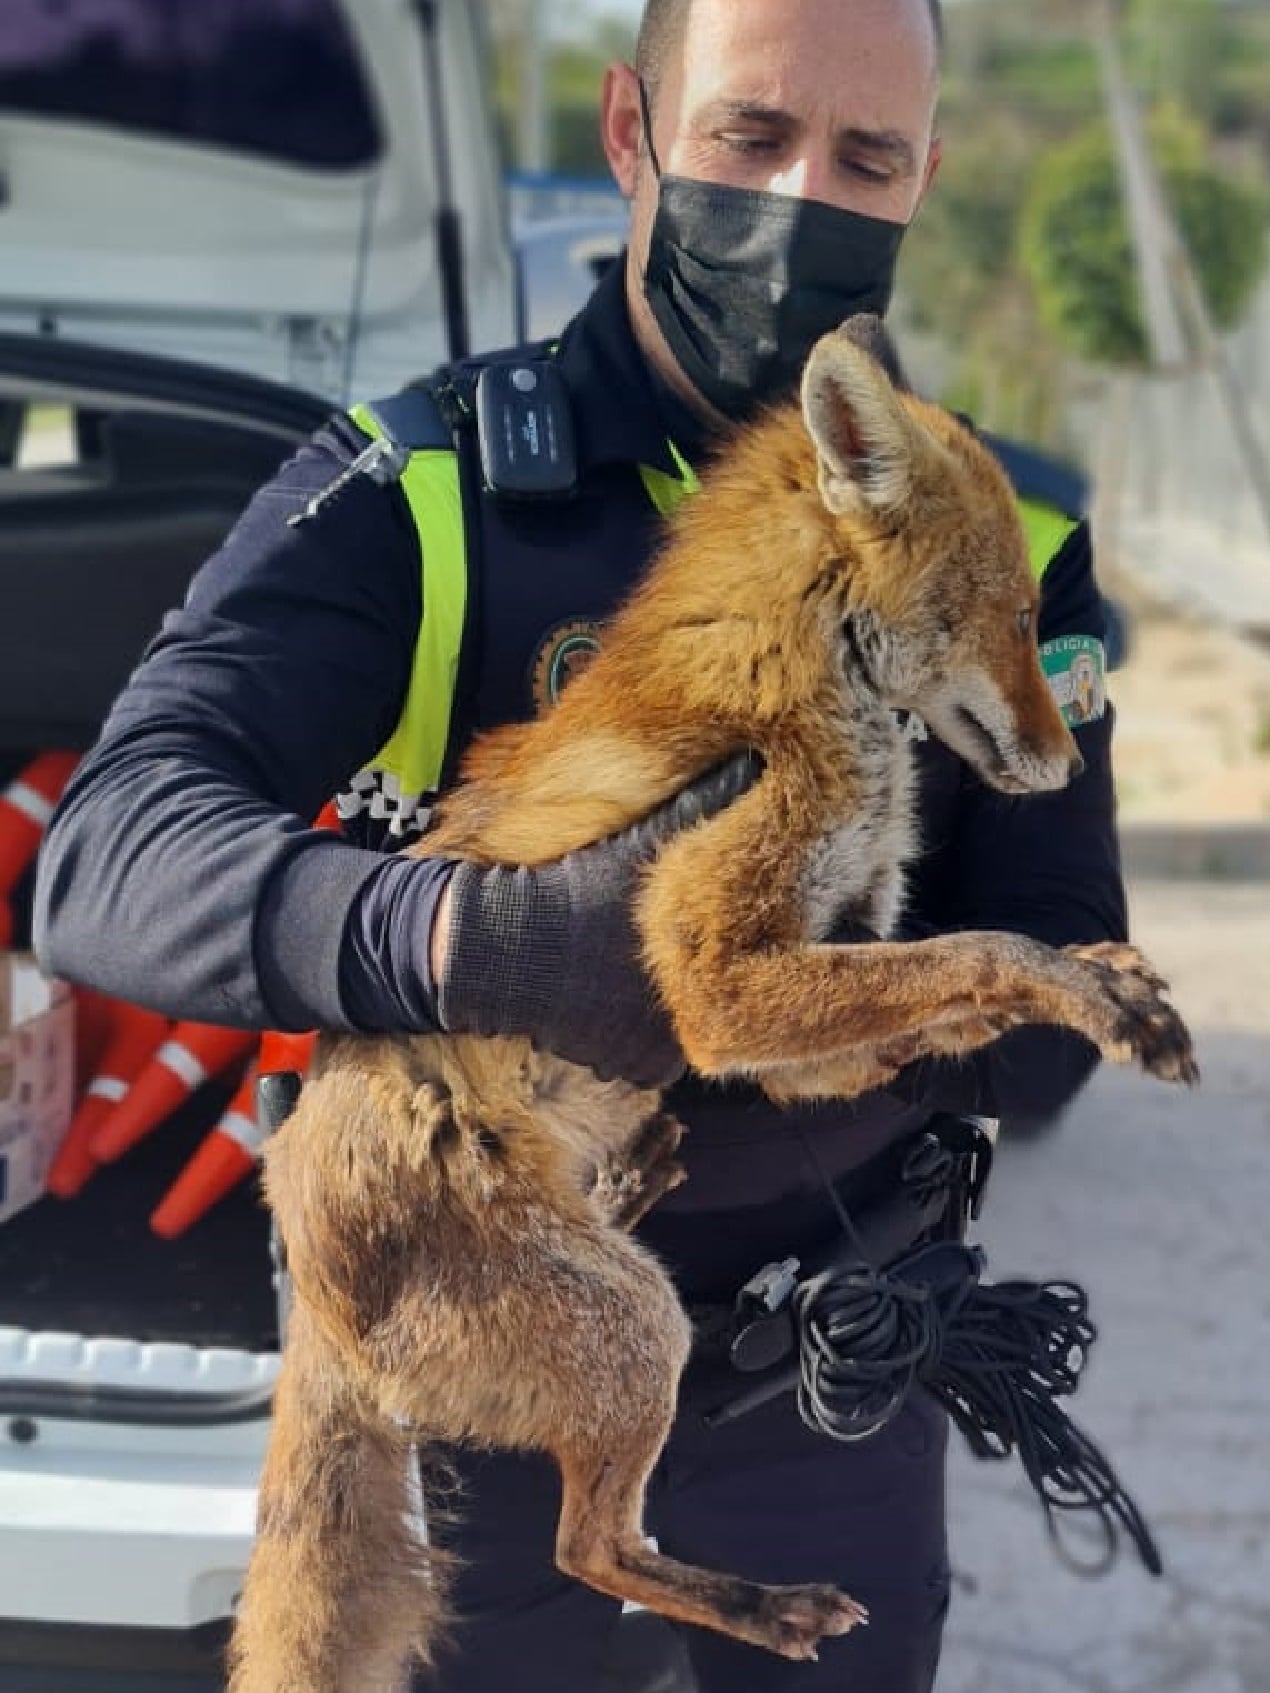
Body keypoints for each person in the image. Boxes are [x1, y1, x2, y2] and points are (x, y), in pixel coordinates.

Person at [34, 0, 1129, 1686]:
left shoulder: (1006, 539)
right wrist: (472, 944)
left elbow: (1050, 1056)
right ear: (631, 133)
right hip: (492, 1360)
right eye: (748, 139)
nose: (799, 204)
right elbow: (107, 856)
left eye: (865, 157)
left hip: (834, 1373)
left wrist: (768, 993)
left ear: (925, 180)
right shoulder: (425, 488)